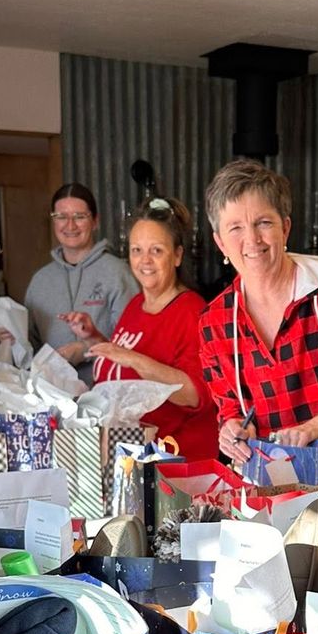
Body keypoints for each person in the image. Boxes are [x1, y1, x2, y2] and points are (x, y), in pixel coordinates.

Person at [198, 159, 318, 489]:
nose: (252, 240)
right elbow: (231, 408)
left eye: (263, 222)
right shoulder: (214, 322)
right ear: (220, 243)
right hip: (274, 488)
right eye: (236, 228)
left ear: (285, 228)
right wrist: (232, 430)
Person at [87, 196, 217, 457]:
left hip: (176, 463)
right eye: (137, 250)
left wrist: (134, 359)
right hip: (131, 456)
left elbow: (195, 395)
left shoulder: (192, 311)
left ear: (177, 255)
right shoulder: (136, 305)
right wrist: (96, 339)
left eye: (156, 250)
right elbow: (123, 361)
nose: (144, 260)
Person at [22, 181, 136, 383]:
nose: (70, 225)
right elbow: (30, 345)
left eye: (79, 216)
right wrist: (13, 338)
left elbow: (134, 341)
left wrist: (85, 349)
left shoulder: (118, 273)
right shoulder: (40, 280)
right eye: (61, 217)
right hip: (51, 394)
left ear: (95, 222)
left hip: (106, 393)